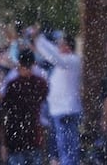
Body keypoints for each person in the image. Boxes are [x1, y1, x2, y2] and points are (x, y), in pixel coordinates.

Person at [32, 30, 82, 165]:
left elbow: (55, 57)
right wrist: (40, 39)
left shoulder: (72, 60)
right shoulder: (67, 61)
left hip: (66, 111)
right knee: (62, 148)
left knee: (67, 148)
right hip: (60, 111)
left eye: (61, 44)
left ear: (67, 47)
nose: (58, 47)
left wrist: (39, 40)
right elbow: (53, 52)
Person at [0, 49, 49, 165]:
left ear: (19, 63)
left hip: (15, 136)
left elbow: (4, 106)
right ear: (33, 63)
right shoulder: (40, 83)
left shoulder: (13, 84)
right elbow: (43, 101)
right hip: (34, 135)